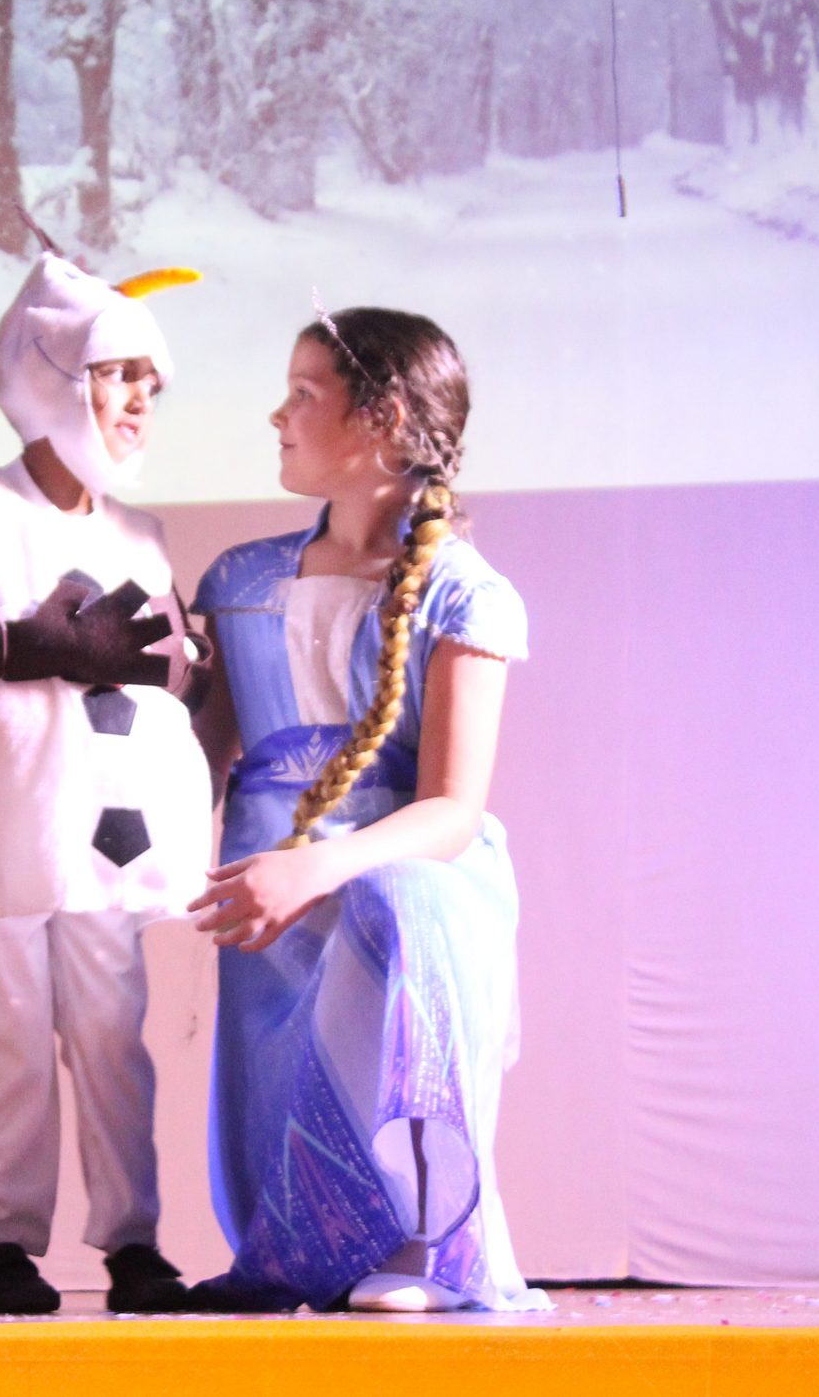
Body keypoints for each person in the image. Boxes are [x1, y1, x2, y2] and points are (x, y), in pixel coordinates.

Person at [182, 308, 548, 1314]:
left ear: (381, 420)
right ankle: (293, 1250)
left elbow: (452, 812)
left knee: (399, 904)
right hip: (271, 878)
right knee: (285, 1078)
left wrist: (315, 867)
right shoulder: (240, 581)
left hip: (398, 880)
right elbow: (200, 760)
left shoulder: (464, 593)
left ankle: (430, 1243)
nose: (279, 414)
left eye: (305, 394)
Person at [0, 255, 211, 1316]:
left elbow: (177, 666)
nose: (138, 402)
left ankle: (133, 1242)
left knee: (114, 1037)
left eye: (150, 383)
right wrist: (38, 641)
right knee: (5, 1035)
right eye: (118, 376)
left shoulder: (139, 535)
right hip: (3, 831)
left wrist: (174, 662)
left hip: (111, 834)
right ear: (53, 373)